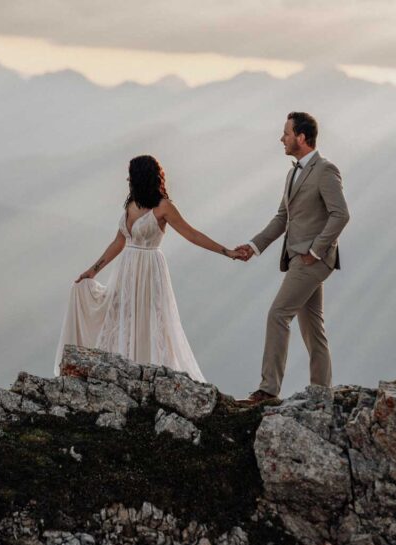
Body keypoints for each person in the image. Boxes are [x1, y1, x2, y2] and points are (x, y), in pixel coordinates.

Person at [54, 154, 238, 381]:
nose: (127, 179)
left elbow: (191, 234)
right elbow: (119, 242)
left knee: (150, 319)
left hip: (150, 269)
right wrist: (93, 271)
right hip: (126, 270)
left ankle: (148, 372)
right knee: (124, 315)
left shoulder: (164, 207)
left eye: (130, 175)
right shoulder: (131, 205)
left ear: (139, 176)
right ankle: (123, 371)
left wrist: (226, 251)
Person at [234, 111, 350, 405]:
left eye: (286, 133)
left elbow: (341, 214)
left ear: (301, 137)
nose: (281, 138)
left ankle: (268, 390)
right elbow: (282, 218)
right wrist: (253, 246)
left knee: (278, 314)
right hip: (299, 258)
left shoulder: (326, 170)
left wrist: (315, 251)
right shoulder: (292, 173)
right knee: (313, 328)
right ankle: (322, 393)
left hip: (312, 260)